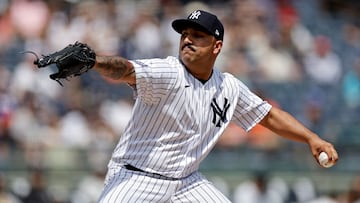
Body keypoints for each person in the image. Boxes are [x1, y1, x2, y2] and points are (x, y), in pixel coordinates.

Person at [91, 10, 338, 202]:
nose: (187, 39)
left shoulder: (229, 87)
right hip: (137, 176)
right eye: (184, 34)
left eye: (197, 35)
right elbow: (126, 70)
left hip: (186, 182)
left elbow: (268, 116)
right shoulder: (169, 71)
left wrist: (311, 138)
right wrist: (93, 61)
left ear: (216, 46)